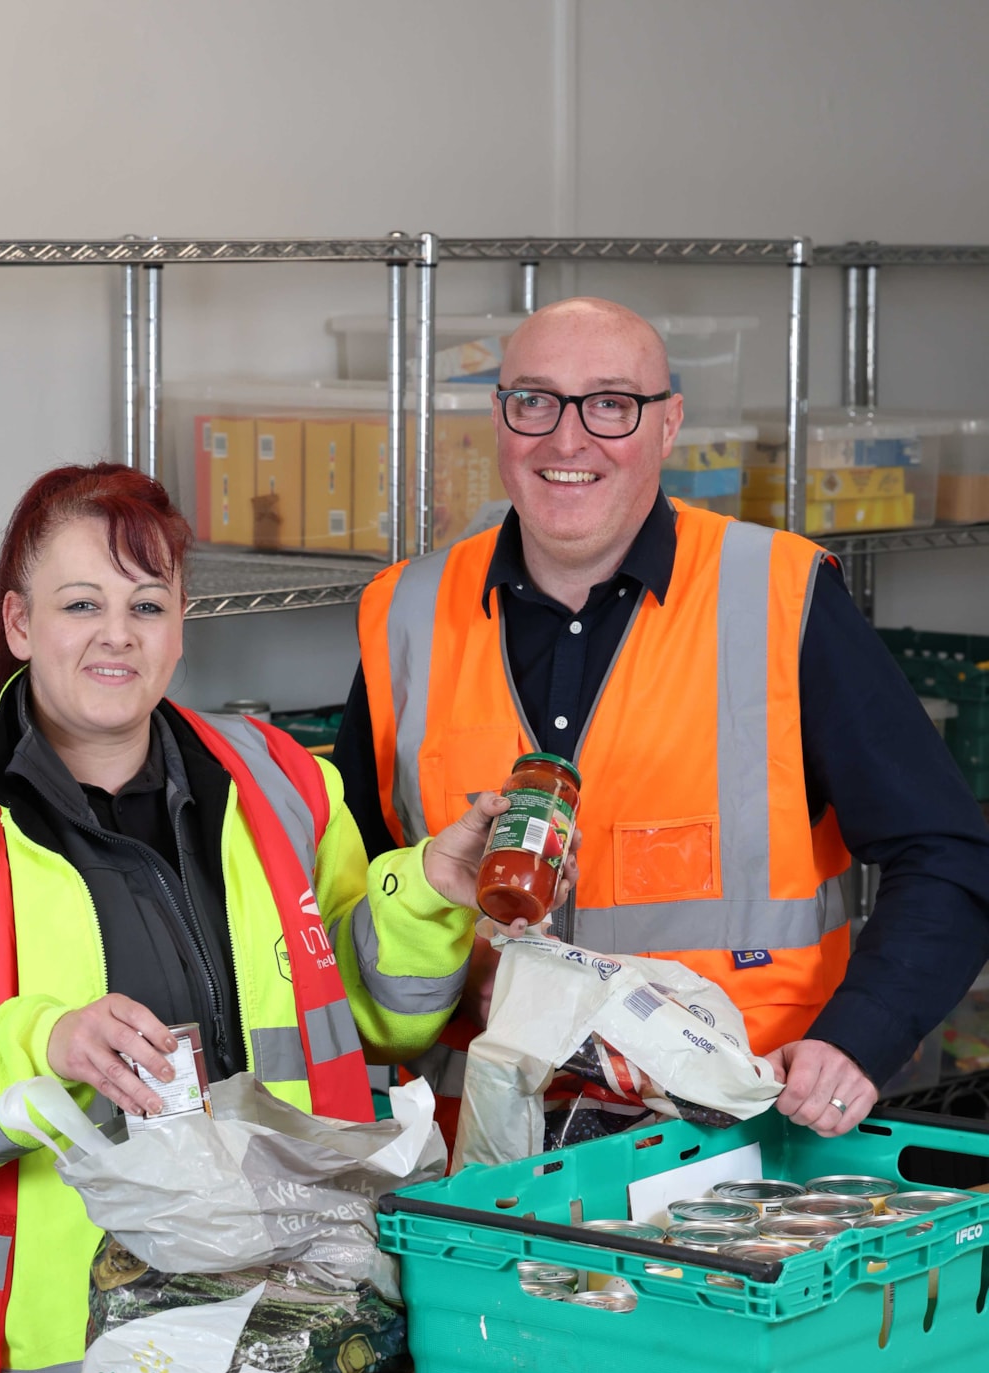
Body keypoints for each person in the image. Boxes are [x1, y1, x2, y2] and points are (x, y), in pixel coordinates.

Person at [0, 463, 507, 1373]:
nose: (117, 633)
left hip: (300, 1337)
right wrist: (44, 1041)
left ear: (181, 625)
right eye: (80, 603)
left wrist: (431, 889)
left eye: (147, 604)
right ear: (18, 624)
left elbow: (369, 1013)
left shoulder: (283, 785)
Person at [335, 296, 989, 1144]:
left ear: (668, 422)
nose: (566, 441)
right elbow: (348, 896)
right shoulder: (405, 616)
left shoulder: (779, 596)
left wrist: (858, 1038)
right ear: (498, 418)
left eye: (610, 404)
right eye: (533, 401)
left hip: (740, 1145)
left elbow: (943, 854)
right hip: (488, 1161)